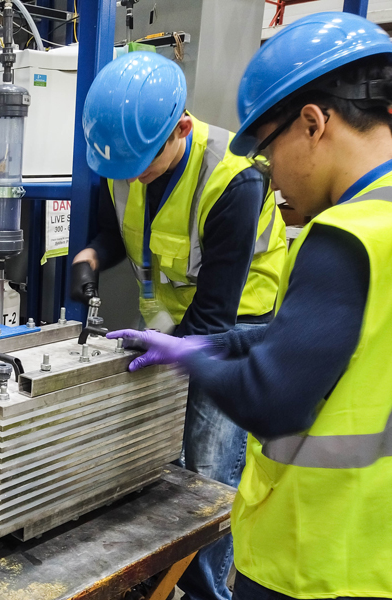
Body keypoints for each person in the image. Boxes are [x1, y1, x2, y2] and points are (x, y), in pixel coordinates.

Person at [107, 12, 392, 600]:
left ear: (313, 124)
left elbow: (270, 399)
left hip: (314, 555)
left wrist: (189, 359)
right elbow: (332, 351)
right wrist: (206, 344)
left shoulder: (349, 234)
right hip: (375, 549)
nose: (271, 176)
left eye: (267, 149)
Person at [72, 51, 287, 600]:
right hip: (170, 323)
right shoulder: (126, 159)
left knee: (209, 469)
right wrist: (91, 258)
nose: (131, 177)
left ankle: (209, 589)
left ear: (182, 129)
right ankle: (166, 579)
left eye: (141, 164)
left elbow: (215, 311)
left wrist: (171, 353)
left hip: (235, 327)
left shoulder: (232, 179)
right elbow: (114, 232)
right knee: (161, 457)